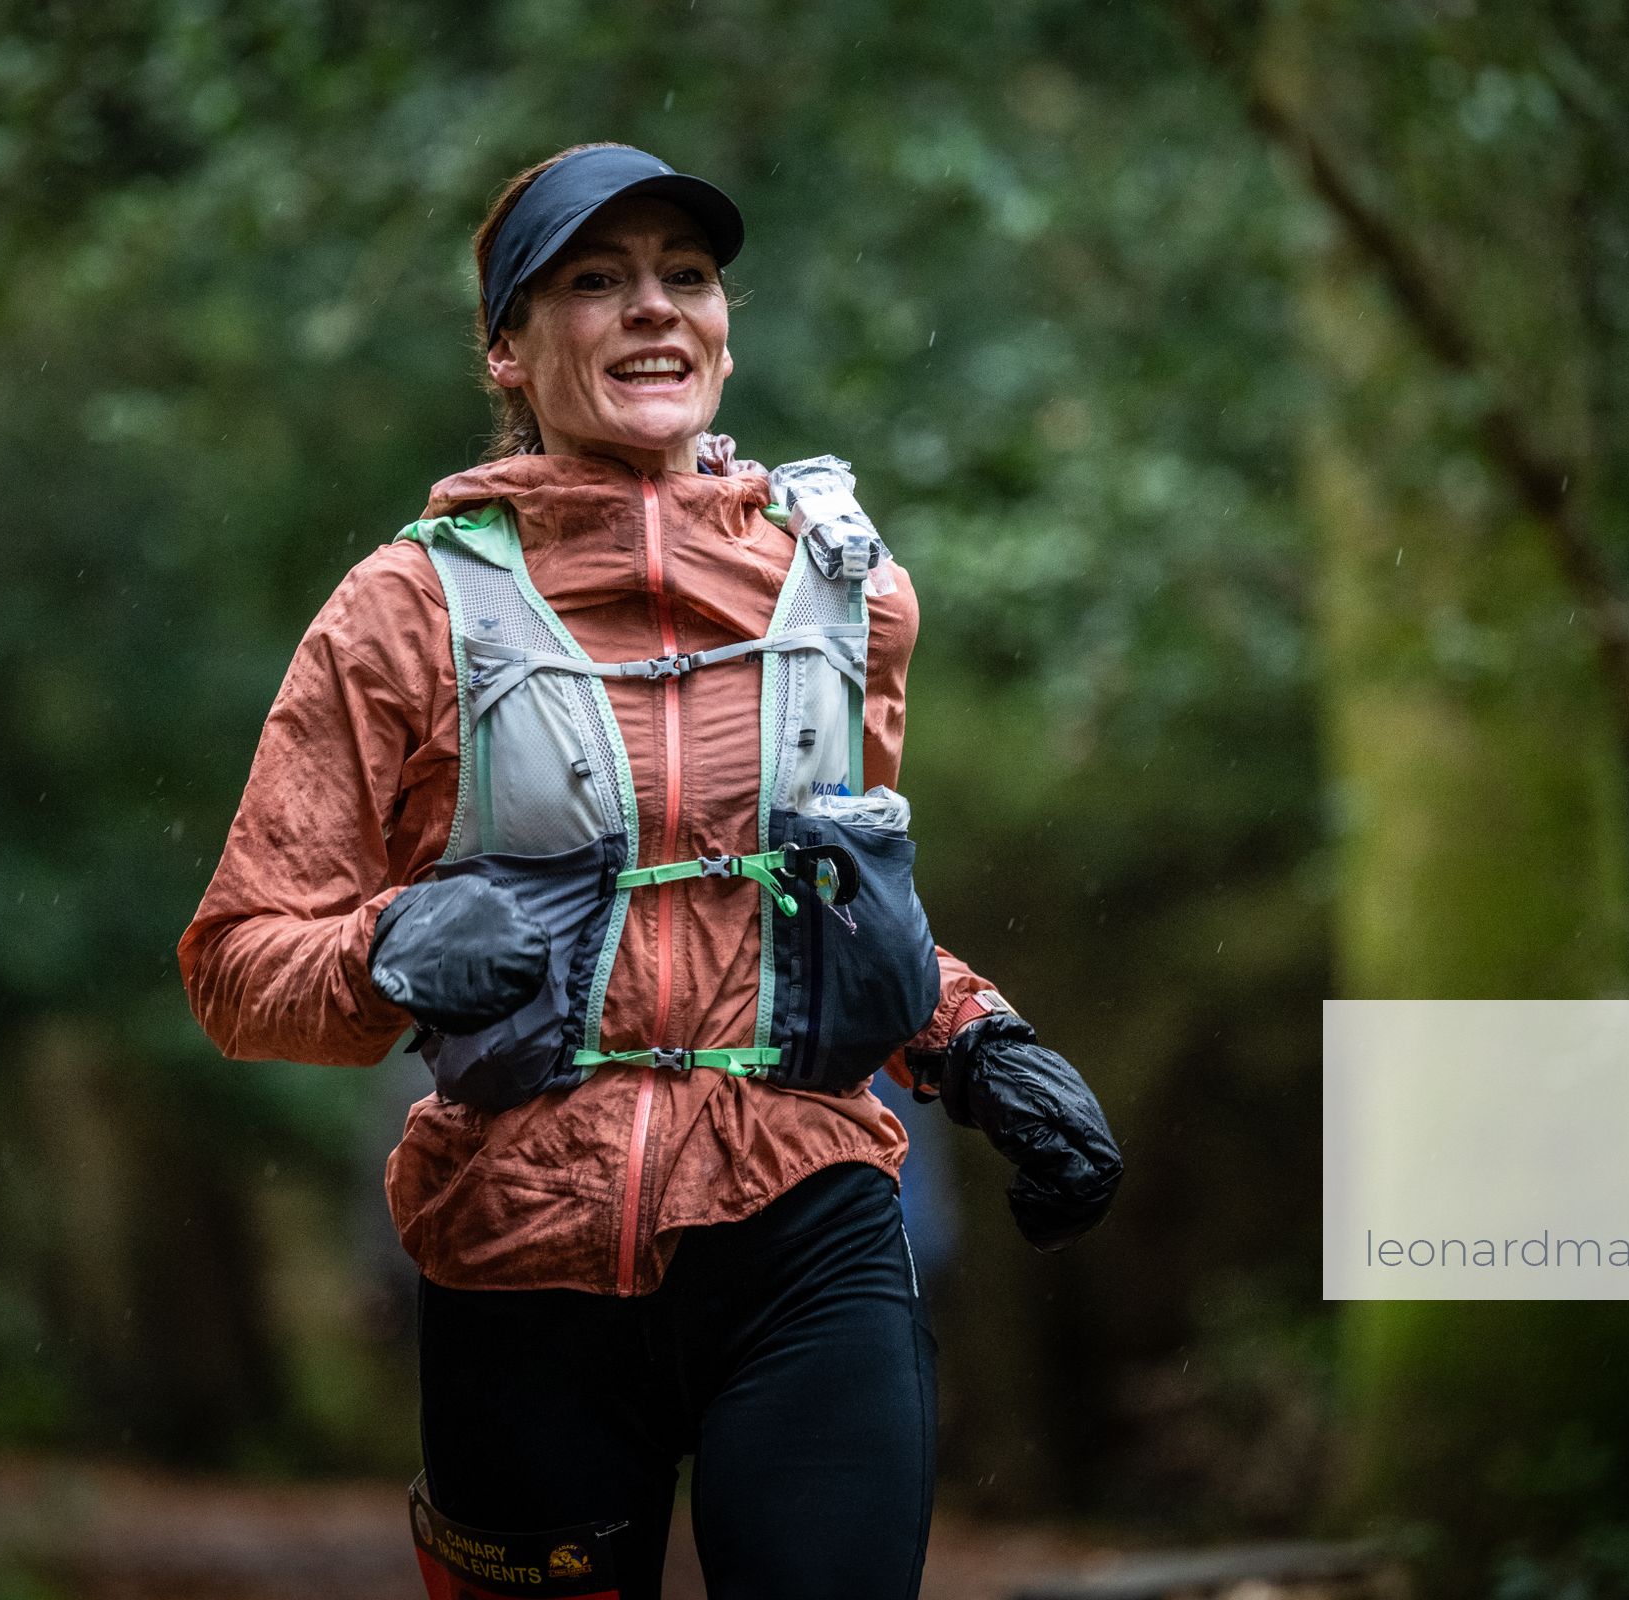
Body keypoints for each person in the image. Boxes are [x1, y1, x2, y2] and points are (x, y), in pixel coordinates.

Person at [177, 142, 1122, 1600]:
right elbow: (240, 963)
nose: (653, 308)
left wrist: (981, 1043)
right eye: (595, 281)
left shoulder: (847, 593)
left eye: (687, 276)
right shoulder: (403, 612)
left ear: (725, 334)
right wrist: (387, 952)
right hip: (518, 1250)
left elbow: (830, 914)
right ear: (507, 347)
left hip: (809, 1221)